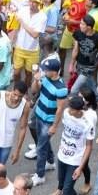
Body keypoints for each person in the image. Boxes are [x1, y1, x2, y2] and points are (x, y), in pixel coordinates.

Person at [30, 57, 68, 187]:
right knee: (43, 142)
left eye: (46, 70)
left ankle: (40, 176)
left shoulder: (61, 88)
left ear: (54, 71)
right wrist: (36, 80)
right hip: (39, 115)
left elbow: (60, 109)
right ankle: (50, 162)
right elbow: (34, 91)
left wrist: (54, 126)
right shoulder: (45, 78)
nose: (44, 71)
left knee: (41, 149)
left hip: (48, 121)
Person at [55, 95, 95, 195]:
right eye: (69, 107)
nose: (68, 110)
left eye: (72, 109)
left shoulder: (87, 124)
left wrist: (80, 167)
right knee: (61, 180)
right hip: (62, 155)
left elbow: (89, 146)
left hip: (75, 160)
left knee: (67, 190)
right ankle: (59, 190)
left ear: (78, 111)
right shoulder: (66, 113)